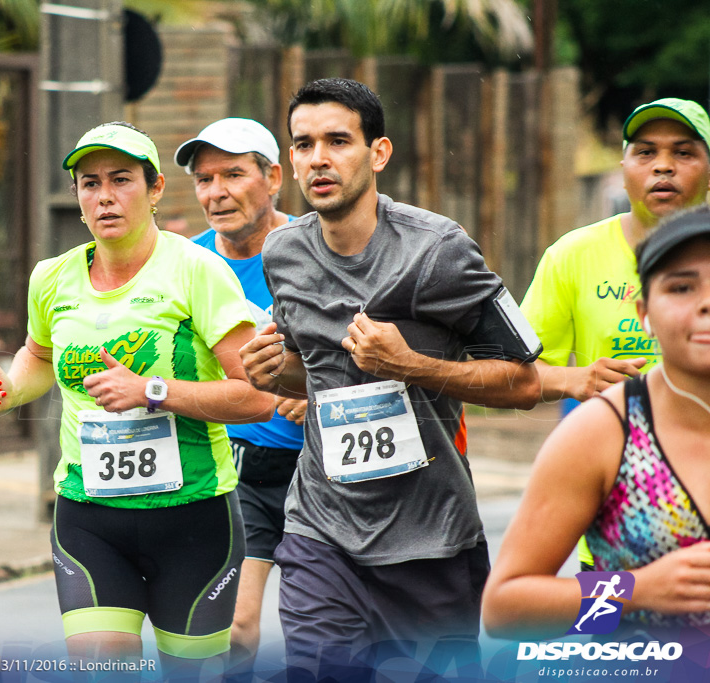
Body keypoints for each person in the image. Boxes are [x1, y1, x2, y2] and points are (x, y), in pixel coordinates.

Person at [238, 78, 542, 675]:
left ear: (378, 153)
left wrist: (411, 366)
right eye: (303, 144)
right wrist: (278, 374)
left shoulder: (440, 252)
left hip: (431, 540)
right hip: (320, 529)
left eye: (337, 141)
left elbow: (525, 383)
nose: (318, 158)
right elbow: (321, 377)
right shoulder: (284, 253)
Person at [0, 122, 274, 676]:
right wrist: (7, 389)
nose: (104, 196)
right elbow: (38, 357)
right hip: (89, 514)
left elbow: (258, 397)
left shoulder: (198, 271)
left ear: (155, 190)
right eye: (89, 183)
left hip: (194, 517)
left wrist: (151, 391)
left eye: (122, 180)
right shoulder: (52, 278)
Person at [483, 204, 710, 639]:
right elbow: (505, 611)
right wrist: (634, 593)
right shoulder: (606, 431)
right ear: (645, 314)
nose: (705, 304)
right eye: (681, 287)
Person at [520, 98, 710, 570]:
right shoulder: (572, 256)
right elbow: (508, 371)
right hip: (610, 567)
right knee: (603, 638)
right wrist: (576, 379)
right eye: (645, 152)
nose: (663, 166)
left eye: (684, 152)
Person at [173, 117, 305, 672]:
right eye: (204, 179)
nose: (216, 192)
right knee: (239, 629)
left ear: (272, 177)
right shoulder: (187, 264)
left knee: (329, 631)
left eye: (233, 174)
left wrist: (313, 388)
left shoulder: (315, 249)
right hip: (238, 467)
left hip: (321, 466)